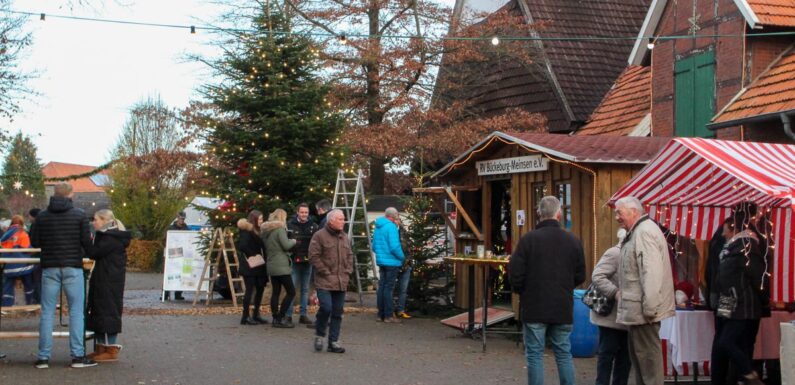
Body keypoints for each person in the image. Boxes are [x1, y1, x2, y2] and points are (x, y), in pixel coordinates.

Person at [508, 196, 585, 385]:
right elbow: (580, 275)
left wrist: (523, 291)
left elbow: (515, 274)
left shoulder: (528, 240)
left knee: (534, 355)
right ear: (559, 213)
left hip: (534, 305)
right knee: (563, 353)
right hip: (562, 305)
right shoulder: (573, 241)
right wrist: (564, 287)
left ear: (539, 213)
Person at [29, 182, 97, 368]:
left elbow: (34, 242)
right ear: (70, 194)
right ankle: (77, 356)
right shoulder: (80, 215)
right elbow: (86, 242)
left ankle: (43, 358)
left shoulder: (42, 216)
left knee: (47, 312)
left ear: (54, 194)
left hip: (50, 267)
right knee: (76, 312)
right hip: (72, 267)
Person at [613, 196, 675, 385]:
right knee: (642, 365)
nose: (616, 217)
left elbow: (651, 273)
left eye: (619, 212)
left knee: (649, 367)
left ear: (634, 211)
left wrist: (649, 308)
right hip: (638, 312)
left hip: (643, 313)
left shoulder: (644, 233)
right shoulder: (638, 231)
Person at [710, 214, 766, 385]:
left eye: (725, 229)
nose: (722, 233)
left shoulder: (747, 246)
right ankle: (742, 376)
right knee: (725, 343)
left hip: (742, 303)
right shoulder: (730, 248)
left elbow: (758, 277)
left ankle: (749, 374)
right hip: (729, 301)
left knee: (728, 341)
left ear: (733, 229)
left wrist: (763, 300)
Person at [85, 209, 131, 362]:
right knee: (100, 310)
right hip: (105, 279)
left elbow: (94, 252)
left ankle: (110, 348)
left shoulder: (110, 238)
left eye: (96, 219)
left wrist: (84, 239)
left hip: (109, 280)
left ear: (104, 221)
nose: (93, 222)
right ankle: (102, 347)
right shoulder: (110, 237)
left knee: (108, 311)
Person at [309, 209, 353, 353]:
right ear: (331, 220)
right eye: (340, 219)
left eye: (343, 219)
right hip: (324, 281)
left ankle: (333, 342)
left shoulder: (344, 237)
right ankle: (319, 334)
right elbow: (313, 256)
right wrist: (325, 272)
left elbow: (350, 256)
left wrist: (348, 272)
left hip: (341, 281)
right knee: (326, 308)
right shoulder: (319, 235)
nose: (343, 221)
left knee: (337, 312)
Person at [591, 229, 631, 385]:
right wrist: (615, 293)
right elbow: (598, 276)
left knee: (625, 358)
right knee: (607, 355)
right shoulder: (615, 253)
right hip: (610, 316)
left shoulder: (631, 255)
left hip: (627, 317)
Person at [262, 208, 296, 328]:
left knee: (275, 292)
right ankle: (281, 317)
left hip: (271, 265)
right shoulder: (280, 229)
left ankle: (275, 318)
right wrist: (293, 241)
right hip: (281, 266)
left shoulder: (266, 231)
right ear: (282, 217)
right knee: (291, 292)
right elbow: (286, 245)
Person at [286, 203, 319, 325]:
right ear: (297, 213)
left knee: (305, 289)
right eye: (302, 212)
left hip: (308, 261)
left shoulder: (314, 226)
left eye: (306, 212)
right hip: (295, 261)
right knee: (292, 289)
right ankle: (288, 315)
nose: (304, 214)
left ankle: (303, 315)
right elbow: (286, 242)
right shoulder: (289, 225)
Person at [373, 207, 405, 323]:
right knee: (388, 289)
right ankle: (388, 315)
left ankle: (380, 314)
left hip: (381, 261)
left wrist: (381, 254)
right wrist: (402, 257)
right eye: (397, 214)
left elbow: (374, 246)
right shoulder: (391, 227)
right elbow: (395, 247)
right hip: (392, 262)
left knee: (382, 287)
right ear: (393, 215)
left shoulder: (378, 227)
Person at [237, 210, 269, 325]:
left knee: (260, 289)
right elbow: (242, 246)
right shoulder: (247, 231)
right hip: (250, 265)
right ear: (254, 220)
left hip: (259, 265)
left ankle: (256, 314)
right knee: (249, 291)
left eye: (262, 219)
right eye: (259, 219)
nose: (261, 221)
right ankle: (245, 316)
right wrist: (254, 255)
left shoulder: (259, 231)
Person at [2, 215, 36, 307]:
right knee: (28, 284)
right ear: (21, 223)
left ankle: (6, 305)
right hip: (23, 265)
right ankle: (30, 303)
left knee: (8, 286)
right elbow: (27, 248)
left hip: (9, 266)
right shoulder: (22, 233)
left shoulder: (5, 235)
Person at [164, 211, 188, 301]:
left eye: (183, 219)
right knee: (168, 273)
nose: (182, 220)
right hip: (172, 253)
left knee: (180, 274)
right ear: (177, 218)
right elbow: (165, 240)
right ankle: (165, 293)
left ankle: (178, 294)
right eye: (181, 218)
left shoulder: (186, 229)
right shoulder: (171, 228)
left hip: (182, 254)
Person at [394, 217, 412, 319]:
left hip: (406, 264)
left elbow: (409, 247)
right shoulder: (391, 233)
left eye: (398, 220)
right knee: (391, 288)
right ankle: (391, 310)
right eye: (395, 219)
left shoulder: (404, 232)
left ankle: (401, 310)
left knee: (403, 289)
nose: (397, 222)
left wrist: (408, 261)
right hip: (394, 264)